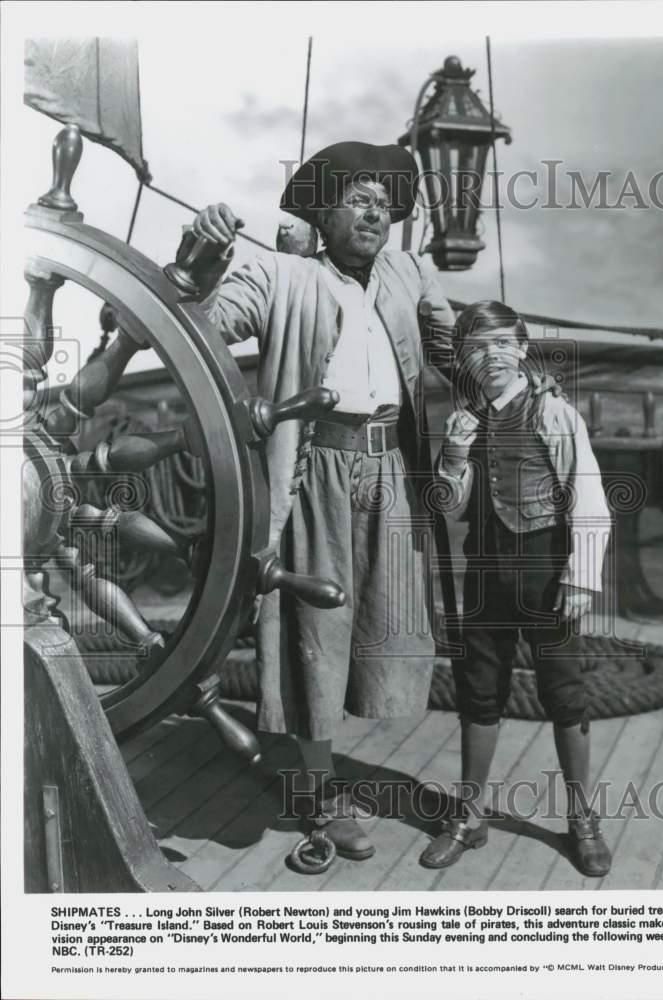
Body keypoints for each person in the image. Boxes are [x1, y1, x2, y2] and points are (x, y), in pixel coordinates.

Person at [188, 142, 456, 861]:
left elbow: (452, 350)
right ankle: (319, 791)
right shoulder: (281, 274)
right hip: (314, 468)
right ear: (324, 212)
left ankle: (343, 769)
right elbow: (205, 326)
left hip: (390, 469)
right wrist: (200, 265)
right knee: (313, 628)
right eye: (359, 200)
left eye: (385, 205)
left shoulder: (406, 270)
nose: (376, 214)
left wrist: (516, 381)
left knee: (386, 626)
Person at [419, 300, 614, 876]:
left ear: (523, 348)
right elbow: (449, 508)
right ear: (464, 359)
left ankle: (582, 821)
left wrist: (580, 577)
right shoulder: (466, 419)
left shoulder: (556, 415)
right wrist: (453, 455)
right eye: (477, 347)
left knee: (564, 694)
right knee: (478, 691)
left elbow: (590, 498)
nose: (492, 355)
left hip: (547, 571)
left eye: (503, 342)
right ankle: (470, 816)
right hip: (485, 574)